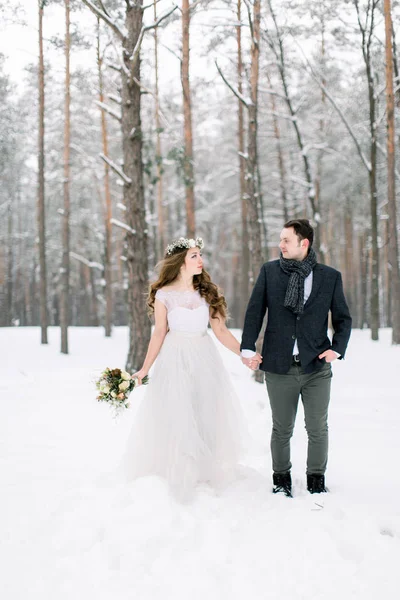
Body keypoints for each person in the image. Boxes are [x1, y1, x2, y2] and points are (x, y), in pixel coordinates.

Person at [123, 236, 246, 501]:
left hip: (204, 355)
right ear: (181, 263)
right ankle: (180, 469)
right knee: (178, 411)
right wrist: (144, 369)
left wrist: (243, 354)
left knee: (206, 409)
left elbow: (221, 330)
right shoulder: (164, 295)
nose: (201, 260)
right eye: (194, 256)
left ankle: (205, 469)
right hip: (174, 357)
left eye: (200, 255)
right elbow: (158, 334)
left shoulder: (207, 292)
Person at [241, 219, 352, 497]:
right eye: (280, 240)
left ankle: (316, 479)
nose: (281, 245)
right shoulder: (269, 272)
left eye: (286, 240)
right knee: (282, 428)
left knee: (317, 427)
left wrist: (336, 349)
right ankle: (281, 478)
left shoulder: (329, 276)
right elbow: (255, 312)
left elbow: (342, 318)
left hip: (316, 367)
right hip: (279, 367)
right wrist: (247, 347)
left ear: (304, 243)